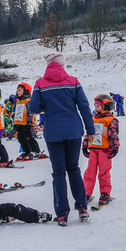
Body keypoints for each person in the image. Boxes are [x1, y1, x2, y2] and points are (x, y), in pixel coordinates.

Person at [29, 52, 95, 227]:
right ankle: (82, 207)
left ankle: (62, 214)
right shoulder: (73, 81)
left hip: (53, 133)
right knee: (73, 168)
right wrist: (90, 130)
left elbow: (34, 108)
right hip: (74, 130)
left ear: (48, 65)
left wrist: (44, 103)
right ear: (62, 65)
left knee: (58, 172)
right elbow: (84, 106)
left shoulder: (40, 84)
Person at [82, 94, 119, 207]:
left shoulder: (111, 120)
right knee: (89, 172)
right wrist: (85, 146)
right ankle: (86, 193)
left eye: (98, 106)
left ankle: (105, 194)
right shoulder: (93, 119)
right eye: (95, 106)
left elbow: (113, 135)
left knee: (104, 173)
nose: (95, 108)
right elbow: (88, 134)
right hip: (93, 150)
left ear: (105, 107)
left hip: (105, 151)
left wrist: (115, 148)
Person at [14, 82, 42, 160]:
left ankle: (36, 151)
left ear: (25, 91)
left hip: (26, 123)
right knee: (21, 138)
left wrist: (30, 121)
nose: (18, 92)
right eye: (17, 90)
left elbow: (29, 112)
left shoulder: (27, 100)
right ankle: (26, 150)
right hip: (19, 123)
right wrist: (15, 123)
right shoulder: (18, 101)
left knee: (28, 137)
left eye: (20, 90)